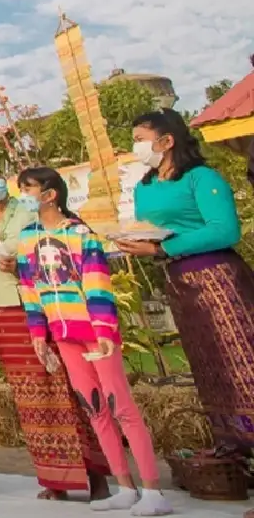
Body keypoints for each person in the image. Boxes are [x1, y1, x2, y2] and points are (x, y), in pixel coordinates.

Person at [15, 167, 171, 516]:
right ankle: (125, 486)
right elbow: (29, 289)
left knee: (121, 406)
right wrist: (38, 334)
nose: (23, 196)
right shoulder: (26, 239)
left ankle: (153, 490)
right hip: (63, 334)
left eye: (28, 189)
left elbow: (98, 283)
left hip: (94, 332)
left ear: (50, 194)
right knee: (93, 407)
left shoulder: (81, 234)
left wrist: (103, 332)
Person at [0, 157, 109, 500]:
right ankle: (56, 480)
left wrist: (21, 265)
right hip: (2, 308)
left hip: (46, 304)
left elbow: (54, 245)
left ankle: (97, 475)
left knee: (68, 383)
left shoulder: (27, 209)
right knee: (31, 393)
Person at [119, 109, 253, 452]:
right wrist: (136, 242)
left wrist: (164, 247)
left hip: (216, 277)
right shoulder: (145, 187)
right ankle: (232, 447)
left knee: (241, 358)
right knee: (209, 364)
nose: (135, 147)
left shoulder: (201, 178)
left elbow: (225, 230)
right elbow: (148, 228)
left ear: (167, 141)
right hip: (177, 279)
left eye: (140, 140)